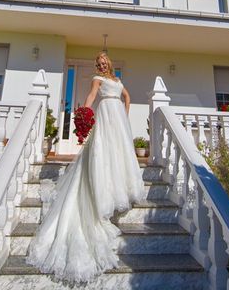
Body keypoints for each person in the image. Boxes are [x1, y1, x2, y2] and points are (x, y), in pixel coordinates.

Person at [26, 51, 145, 283]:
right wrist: (84, 114)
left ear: (109, 62)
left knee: (119, 153)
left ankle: (120, 185)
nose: (101, 64)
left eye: (104, 61)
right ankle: (102, 189)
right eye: (98, 63)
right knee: (102, 151)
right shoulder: (97, 79)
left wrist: (125, 114)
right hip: (105, 115)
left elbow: (128, 97)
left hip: (118, 117)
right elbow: (91, 97)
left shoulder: (118, 80)